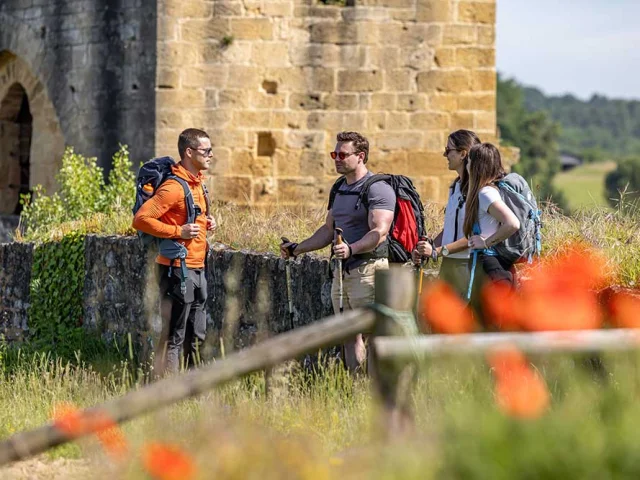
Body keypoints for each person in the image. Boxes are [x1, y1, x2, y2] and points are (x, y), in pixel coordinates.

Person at [280, 131, 395, 373]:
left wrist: (351, 248)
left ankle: (376, 390)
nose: (337, 159)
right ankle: (355, 388)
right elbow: (328, 230)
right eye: (335, 154)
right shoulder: (339, 188)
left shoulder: (378, 188)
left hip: (369, 271)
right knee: (348, 333)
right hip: (342, 273)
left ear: (360, 156)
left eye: (343, 154)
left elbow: (380, 232)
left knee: (374, 333)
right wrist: (297, 249)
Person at [133, 128, 216, 374]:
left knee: (197, 335)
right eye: (206, 150)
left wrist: (207, 223)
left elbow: (193, 216)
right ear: (189, 152)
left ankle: (192, 388)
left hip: (198, 267)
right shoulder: (174, 188)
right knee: (174, 336)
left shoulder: (198, 183)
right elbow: (141, 219)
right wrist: (178, 232)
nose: (211, 155)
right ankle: (167, 393)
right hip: (176, 271)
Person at [412, 130, 481, 298]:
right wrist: (427, 249)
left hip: (466, 265)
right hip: (449, 264)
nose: (445, 154)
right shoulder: (455, 186)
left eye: (449, 150)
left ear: (463, 154)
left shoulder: (478, 190)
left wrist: (437, 251)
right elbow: (450, 229)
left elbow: (474, 236)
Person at [463, 143, 520, 319]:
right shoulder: (488, 191)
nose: (467, 165)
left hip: (491, 267)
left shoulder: (485, 193)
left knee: (489, 328)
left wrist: (486, 242)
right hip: (493, 267)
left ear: (475, 165)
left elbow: (512, 223)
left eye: (469, 161)